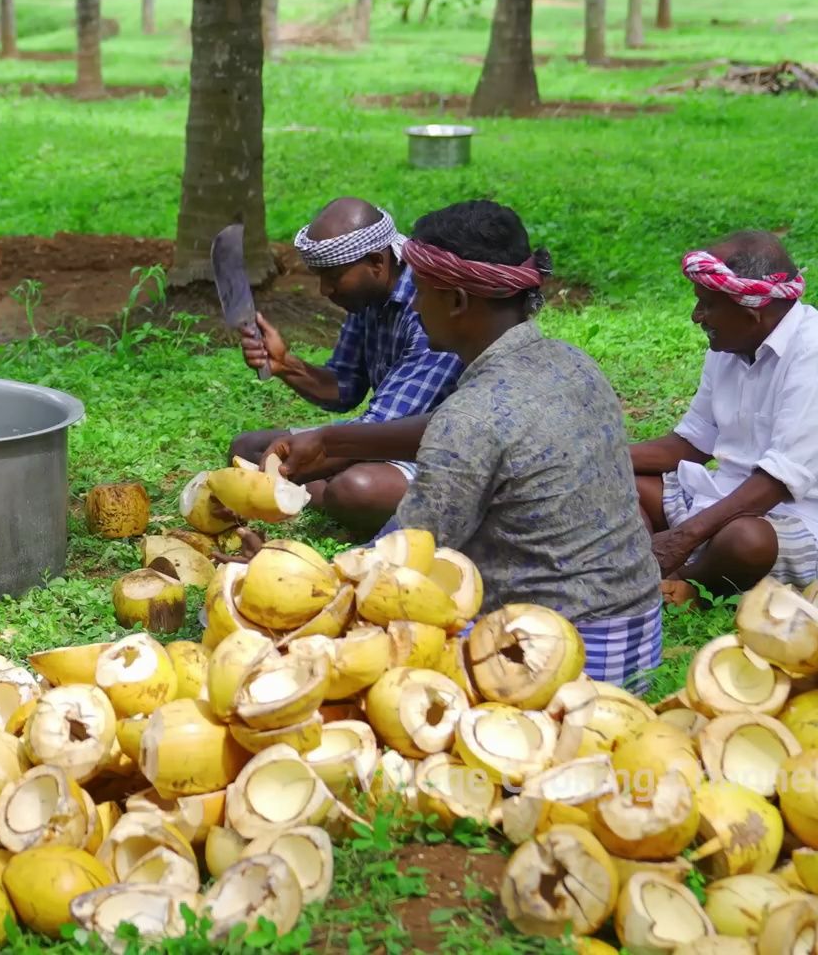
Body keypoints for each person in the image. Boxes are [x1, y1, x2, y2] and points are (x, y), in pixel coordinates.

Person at [267, 201, 662, 689]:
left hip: (555, 655)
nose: (412, 306)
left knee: (363, 658)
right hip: (638, 633)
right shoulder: (577, 365)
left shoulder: (470, 418)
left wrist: (294, 582)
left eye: (423, 294)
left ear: (455, 301)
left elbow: (397, 563)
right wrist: (329, 439)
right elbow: (466, 431)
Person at [228, 197, 463, 540]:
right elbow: (344, 387)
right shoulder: (367, 298)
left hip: (434, 451)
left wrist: (309, 457)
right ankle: (313, 488)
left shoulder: (427, 307)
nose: (325, 290)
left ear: (376, 262)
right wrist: (286, 365)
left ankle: (322, 493)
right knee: (248, 448)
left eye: (334, 276)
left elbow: (383, 427)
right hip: (374, 439)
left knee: (355, 489)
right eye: (320, 277)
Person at [631, 232, 818, 604]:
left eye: (706, 306)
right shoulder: (730, 343)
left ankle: (687, 582)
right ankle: (646, 569)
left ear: (752, 312)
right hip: (721, 498)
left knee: (747, 541)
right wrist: (599, 457)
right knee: (619, 482)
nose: (696, 316)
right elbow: (692, 443)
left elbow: (777, 483)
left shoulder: (811, 354)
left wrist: (683, 538)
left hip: (794, 520)